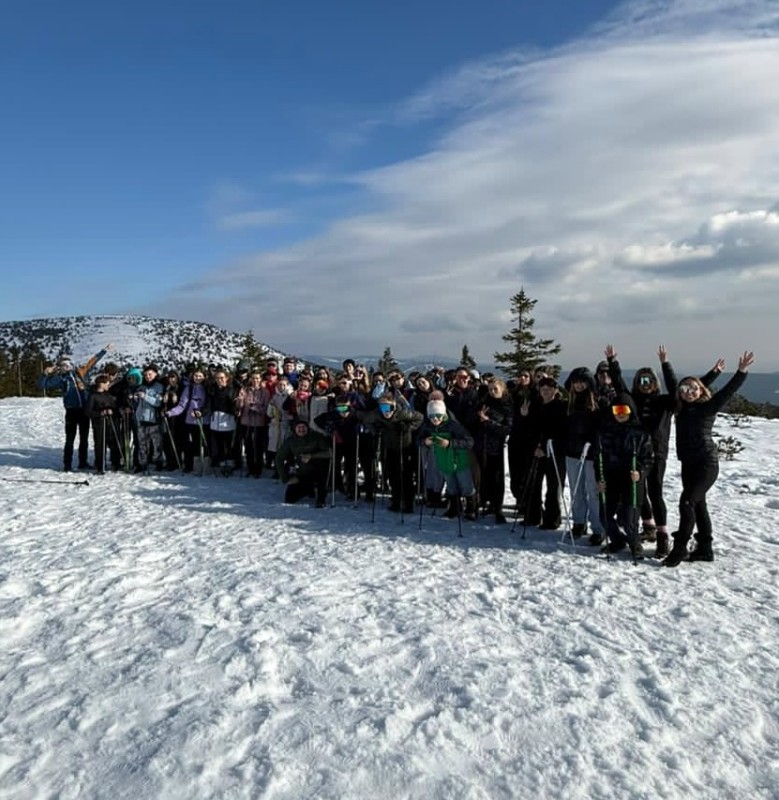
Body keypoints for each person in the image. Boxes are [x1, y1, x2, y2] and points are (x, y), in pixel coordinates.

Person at [664, 351, 755, 567]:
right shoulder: (681, 407)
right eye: (685, 389)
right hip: (688, 463)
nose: (689, 392)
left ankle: (679, 549)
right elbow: (673, 385)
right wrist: (666, 363)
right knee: (698, 505)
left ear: (701, 391)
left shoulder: (708, 407)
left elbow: (727, 392)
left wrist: (741, 372)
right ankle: (705, 548)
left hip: (706, 463)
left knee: (687, 503)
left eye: (693, 389)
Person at [595, 393, 654, 558]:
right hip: (611, 478)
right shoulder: (605, 431)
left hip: (632, 479)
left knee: (630, 519)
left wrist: (640, 473)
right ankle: (617, 540)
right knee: (604, 516)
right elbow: (598, 458)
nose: (620, 413)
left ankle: (635, 543)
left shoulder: (641, 432)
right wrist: (599, 479)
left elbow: (648, 459)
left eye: (624, 409)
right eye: (616, 409)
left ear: (631, 410)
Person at [37, 344, 111, 471]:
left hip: (84, 411)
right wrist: (45, 374)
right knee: (70, 439)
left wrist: (104, 351)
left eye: (69, 364)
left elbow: (91, 363)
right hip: (71, 411)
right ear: (61, 368)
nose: (67, 367)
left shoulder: (80, 373)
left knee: (84, 439)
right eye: (64, 366)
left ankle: (83, 462)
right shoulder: (60, 379)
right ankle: (67, 464)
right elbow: (42, 385)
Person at [419, 397, 477, 520]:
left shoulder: (453, 425)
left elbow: (469, 441)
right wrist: (425, 442)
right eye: (432, 416)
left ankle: (471, 508)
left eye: (438, 415)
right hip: (443, 460)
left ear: (443, 414)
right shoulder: (428, 426)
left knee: (466, 484)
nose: (435, 419)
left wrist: (451, 443)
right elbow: (418, 439)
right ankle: (455, 507)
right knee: (451, 485)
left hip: (459, 459)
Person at [473, 378, 513, 524]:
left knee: (497, 479)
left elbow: (507, 429)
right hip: (481, 446)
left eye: (495, 389)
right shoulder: (483, 402)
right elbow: (474, 420)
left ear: (502, 389)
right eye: (490, 389)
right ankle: (484, 502)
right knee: (483, 477)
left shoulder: (507, 405)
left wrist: (488, 421)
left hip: (496, 448)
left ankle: (497, 507)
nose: (492, 391)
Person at [275, 418, 331, 507]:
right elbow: (279, 458)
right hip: (299, 472)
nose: (301, 430)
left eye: (303, 427)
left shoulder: (317, 437)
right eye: (299, 427)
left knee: (321, 471)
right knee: (289, 499)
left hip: (317, 471)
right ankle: (306, 490)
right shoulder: (290, 441)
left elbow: (329, 453)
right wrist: (285, 478)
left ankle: (320, 497)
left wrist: (311, 456)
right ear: (295, 428)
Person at [84, 373, 122, 473]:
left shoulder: (108, 395)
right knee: (100, 445)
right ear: (101, 384)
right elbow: (88, 411)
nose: (108, 386)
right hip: (99, 424)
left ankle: (116, 463)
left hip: (111, 424)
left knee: (114, 444)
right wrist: (100, 413)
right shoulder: (93, 396)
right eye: (107, 383)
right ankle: (100, 465)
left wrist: (114, 411)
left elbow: (114, 407)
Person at [132, 364, 166, 473]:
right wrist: (135, 398)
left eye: (150, 374)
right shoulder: (141, 386)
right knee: (141, 444)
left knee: (156, 444)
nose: (147, 376)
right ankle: (143, 464)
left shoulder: (159, 387)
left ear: (155, 374)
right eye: (146, 375)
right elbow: (137, 403)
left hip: (153, 419)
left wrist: (145, 396)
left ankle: (158, 462)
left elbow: (158, 402)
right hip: (141, 419)